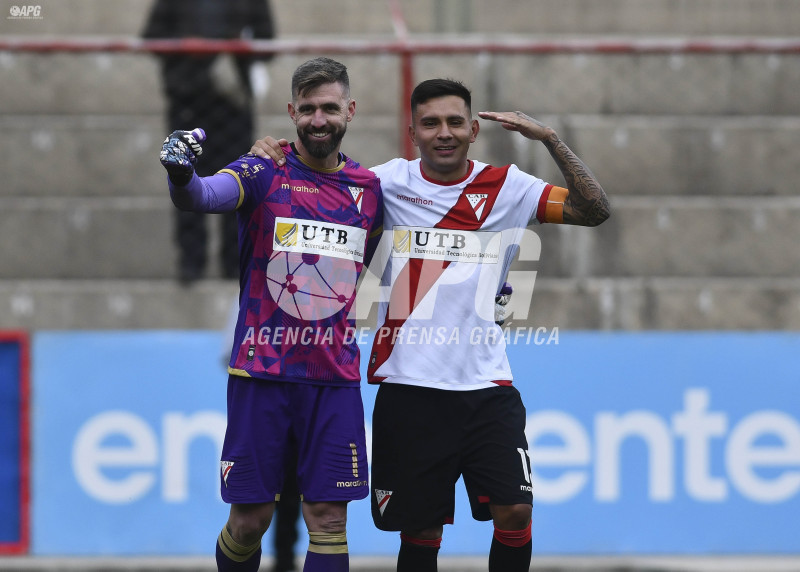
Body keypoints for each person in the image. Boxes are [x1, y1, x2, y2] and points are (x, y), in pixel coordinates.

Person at [251, 78, 610, 572]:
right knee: (421, 529)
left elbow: (595, 210)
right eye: (431, 123)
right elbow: (320, 192)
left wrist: (549, 139)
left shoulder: (509, 187)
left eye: (455, 122)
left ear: (474, 129)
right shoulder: (385, 184)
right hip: (409, 385)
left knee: (515, 511)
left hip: (488, 385)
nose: (445, 133)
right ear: (413, 131)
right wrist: (274, 156)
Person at [159, 57, 383, 572]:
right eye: (307, 109)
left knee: (328, 518)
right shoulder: (262, 169)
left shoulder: (369, 189)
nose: (319, 119)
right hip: (263, 374)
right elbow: (203, 196)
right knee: (250, 519)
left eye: (329, 107)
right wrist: (180, 173)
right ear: (291, 112)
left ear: (349, 110)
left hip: (335, 377)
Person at [143, 0, 276, 284]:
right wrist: (183, 45)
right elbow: (152, 36)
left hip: (233, 100)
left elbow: (268, 41)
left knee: (240, 180)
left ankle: (233, 263)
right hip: (187, 97)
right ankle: (192, 262)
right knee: (183, 176)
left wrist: (239, 46)